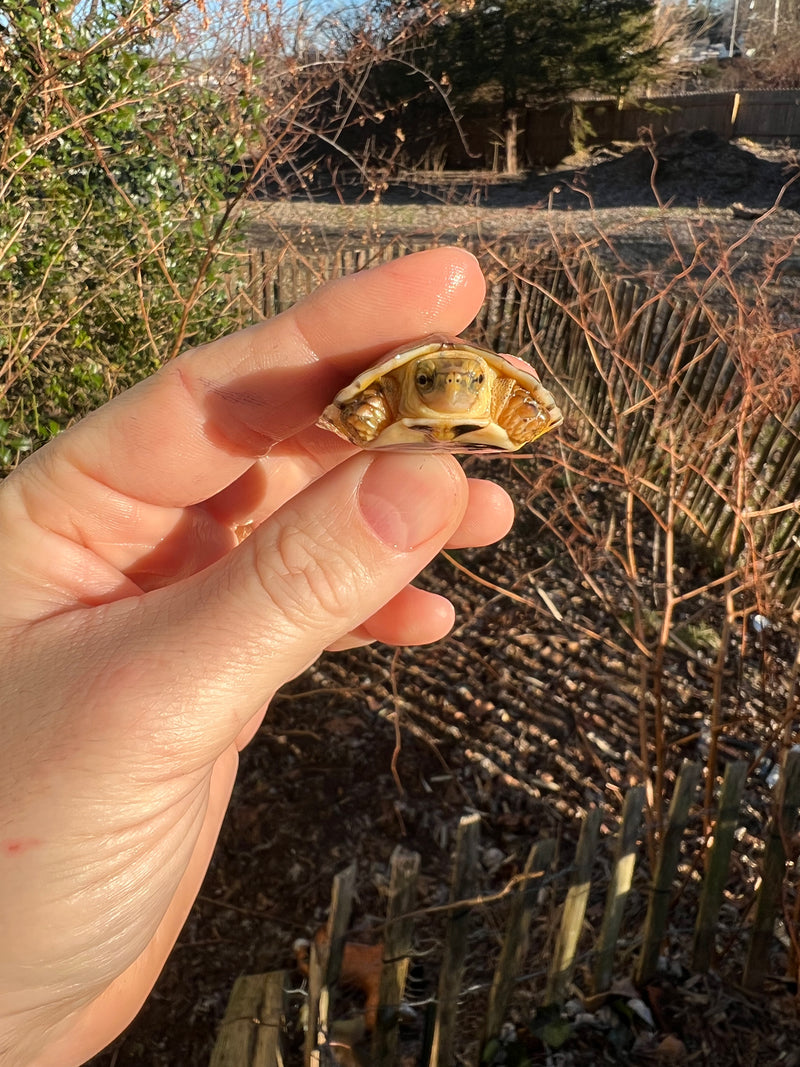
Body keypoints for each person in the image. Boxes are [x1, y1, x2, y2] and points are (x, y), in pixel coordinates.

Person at [0, 247, 515, 1067]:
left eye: (457, 386)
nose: (448, 392)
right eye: (437, 382)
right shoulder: (369, 419)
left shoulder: (449, 408)